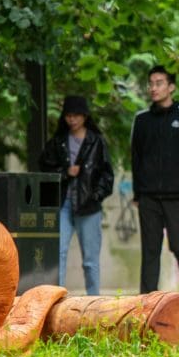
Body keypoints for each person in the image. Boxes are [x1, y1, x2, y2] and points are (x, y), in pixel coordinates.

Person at [131, 65, 179, 305]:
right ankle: (146, 304)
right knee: (150, 251)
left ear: (171, 87)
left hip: (177, 195)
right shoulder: (141, 120)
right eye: (151, 83)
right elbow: (136, 156)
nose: (154, 88)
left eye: (159, 83)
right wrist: (137, 192)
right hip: (149, 197)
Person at [38, 95, 114, 295]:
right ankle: (57, 300)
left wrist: (95, 196)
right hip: (63, 205)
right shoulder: (57, 142)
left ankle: (94, 302)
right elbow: (44, 168)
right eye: (68, 115)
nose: (72, 120)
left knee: (90, 260)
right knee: (58, 253)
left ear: (85, 116)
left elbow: (107, 175)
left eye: (76, 115)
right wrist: (65, 173)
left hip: (89, 207)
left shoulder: (96, 142)